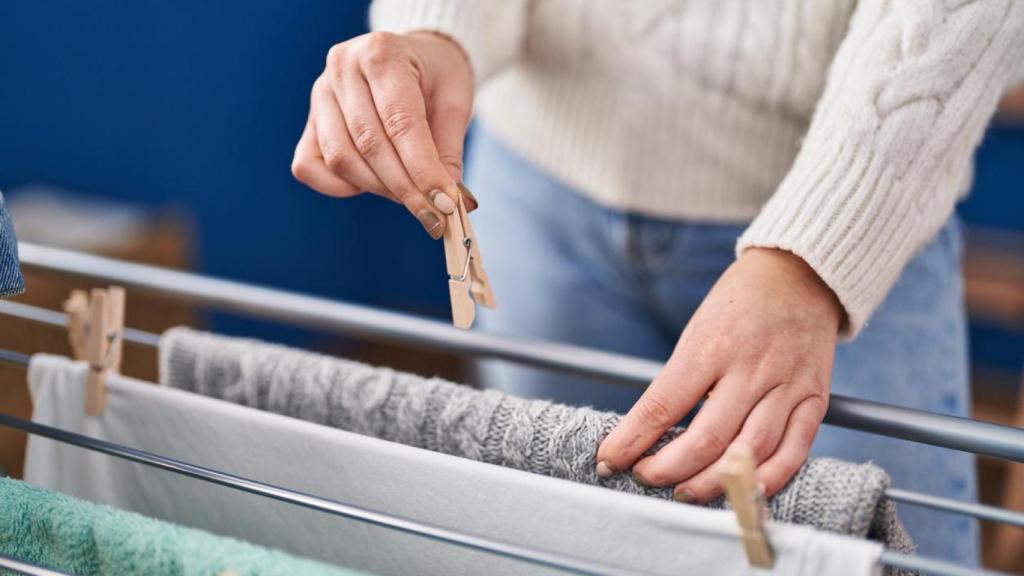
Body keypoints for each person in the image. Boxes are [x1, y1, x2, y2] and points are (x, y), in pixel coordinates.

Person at [291, 0, 1024, 564]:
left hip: (858, 220)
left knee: (883, 555)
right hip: (535, 190)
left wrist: (816, 259)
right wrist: (434, 32)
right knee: (560, 549)